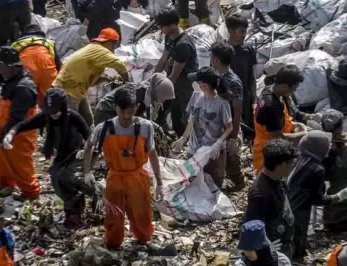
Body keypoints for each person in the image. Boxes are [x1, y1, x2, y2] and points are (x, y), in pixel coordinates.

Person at [83, 86, 163, 249]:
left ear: (136, 108)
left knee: (142, 213)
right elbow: (88, 146)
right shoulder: (104, 128)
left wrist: (159, 183)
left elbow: (153, 154)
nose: (127, 117)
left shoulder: (146, 127)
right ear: (116, 107)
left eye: (131, 112)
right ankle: (113, 242)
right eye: (123, 111)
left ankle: (142, 238)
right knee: (113, 215)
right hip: (115, 177)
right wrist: (87, 171)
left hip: (137, 177)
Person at [12, 88, 90, 229]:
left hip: (77, 153)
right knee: (55, 177)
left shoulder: (73, 117)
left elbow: (89, 136)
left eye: (56, 111)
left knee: (66, 177)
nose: (53, 114)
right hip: (61, 154)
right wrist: (10, 133)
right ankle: (72, 209)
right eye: (50, 111)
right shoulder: (45, 117)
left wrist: (89, 154)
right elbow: (24, 125)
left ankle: (75, 212)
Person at [288, 131, 347, 259]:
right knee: (297, 239)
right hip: (300, 210)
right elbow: (316, 199)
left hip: (287, 204)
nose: (329, 147)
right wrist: (338, 196)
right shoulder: (317, 170)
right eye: (327, 145)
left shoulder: (297, 159)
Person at [0, 46, 40, 199]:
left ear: (12, 67)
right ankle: (6, 185)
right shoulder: (10, 77)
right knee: (2, 163)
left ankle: (31, 195)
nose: (0, 70)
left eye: (1, 67)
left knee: (21, 166)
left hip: (17, 138)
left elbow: (16, 119)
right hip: (4, 136)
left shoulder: (24, 87)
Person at [173, 67, 233, 189]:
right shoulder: (196, 96)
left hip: (212, 152)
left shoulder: (222, 103)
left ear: (204, 85)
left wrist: (218, 143)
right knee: (189, 183)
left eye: (198, 82)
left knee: (212, 186)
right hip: (194, 149)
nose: (196, 84)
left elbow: (229, 127)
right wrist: (183, 138)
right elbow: (192, 120)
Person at [53, 29, 128, 125]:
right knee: (70, 122)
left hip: (74, 87)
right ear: (109, 43)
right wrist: (127, 81)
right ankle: (71, 138)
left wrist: (104, 78)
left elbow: (90, 82)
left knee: (87, 119)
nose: (114, 49)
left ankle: (86, 137)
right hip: (69, 89)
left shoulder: (92, 49)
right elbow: (120, 65)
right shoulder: (101, 50)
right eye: (115, 45)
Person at [245, 138, 295, 256]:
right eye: (289, 164)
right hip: (272, 253)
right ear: (280, 165)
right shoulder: (259, 193)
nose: (291, 167)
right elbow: (252, 225)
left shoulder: (279, 179)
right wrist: (265, 247)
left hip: (283, 245)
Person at [252, 66, 306, 174]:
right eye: (294, 89)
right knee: (269, 180)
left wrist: (294, 124)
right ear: (285, 86)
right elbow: (279, 137)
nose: (294, 92)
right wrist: (304, 133)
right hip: (269, 151)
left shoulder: (269, 90)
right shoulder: (271, 106)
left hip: (268, 144)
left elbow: (278, 121)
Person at [154, 8, 199, 136]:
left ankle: (184, 141)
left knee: (179, 116)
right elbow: (163, 59)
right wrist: (152, 80)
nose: (161, 29)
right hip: (173, 80)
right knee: (162, 111)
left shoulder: (182, 45)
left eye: (162, 26)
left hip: (185, 83)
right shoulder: (170, 36)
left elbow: (175, 74)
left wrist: (162, 92)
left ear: (172, 25)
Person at [210, 42, 244, 189]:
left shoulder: (233, 82)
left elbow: (237, 111)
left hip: (229, 127)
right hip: (217, 125)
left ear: (216, 59)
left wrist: (234, 137)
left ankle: (239, 183)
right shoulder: (214, 76)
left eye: (212, 57)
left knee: (232, 160)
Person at [11, 22, 60, 109]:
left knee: (26, 101)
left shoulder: (16, 44)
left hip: (26, 67)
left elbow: (11, 66)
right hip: (46, 65)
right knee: (51, 100)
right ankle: (50, 117)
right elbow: (58, 64)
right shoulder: (49, 42)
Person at [75, 0, 147, 41]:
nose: (136, 7)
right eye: (138, 5)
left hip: (91, 9)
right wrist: (85, 25)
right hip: (84, 8)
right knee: (98, 35)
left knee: (109, 25)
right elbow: (94, 6)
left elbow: (113, 17)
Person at [225, 13, 257, 138]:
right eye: (241, 31)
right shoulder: (224, 51)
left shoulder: (247, 50)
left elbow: (252, 77)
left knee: (249, 132)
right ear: (230, 31)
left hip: (246, 98)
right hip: (229, 100)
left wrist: (254, 101)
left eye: (245, 31)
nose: (244, 35)